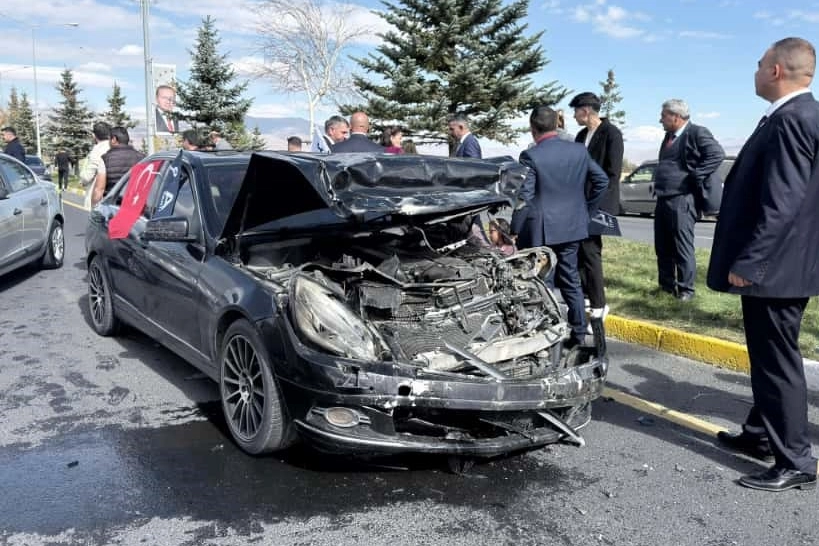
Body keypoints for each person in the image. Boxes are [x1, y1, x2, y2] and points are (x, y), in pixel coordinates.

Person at [709, 37, 819, 492]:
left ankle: (795, 461)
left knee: (776, 361)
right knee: (769, 354)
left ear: (775, 71)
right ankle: (759, 433)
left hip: (775, 267)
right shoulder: (802, 114)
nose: (754, 72)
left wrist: (752, 261)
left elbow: (783, 201)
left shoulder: (791, 119)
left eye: (758, 65)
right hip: (790, 262)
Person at [511, 106, 608, 348]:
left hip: (542, 231)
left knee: (543, 283)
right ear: (556, 124)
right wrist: (587, 211)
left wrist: (514, 228)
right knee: (571, 279)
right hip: (573, 226)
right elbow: (601, 181)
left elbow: (525, 198)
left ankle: (546, 335)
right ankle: (578, 334)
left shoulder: (530, 155)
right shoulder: (578, 150)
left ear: (532, 128)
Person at [654, 98, 724, 301]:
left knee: (681, 246)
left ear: (676, 117)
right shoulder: (669, 136)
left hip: (683, 200)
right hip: (663, 198)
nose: (660, 120)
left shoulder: (696, 132)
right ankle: (666, 287)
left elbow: (716, 154)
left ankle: (686, 290)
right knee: (663, 246)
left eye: (663, 116)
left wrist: (695, 175)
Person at [569, 92, 625, 326]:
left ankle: (599, 304)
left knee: (591, 252)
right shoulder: (581, 135)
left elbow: (612, 174)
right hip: (578, 203)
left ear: (586, 111)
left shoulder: (612, 134)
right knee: (580, 251)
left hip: (597, 204)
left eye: (576, 111)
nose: (574, 116)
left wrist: (596, 205)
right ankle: (585, 297)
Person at [92, 127, 145, 206]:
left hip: (112, 206)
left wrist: (95, 207)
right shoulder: (142, 158)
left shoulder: (105, 159)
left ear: (114, 139)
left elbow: (99, 189)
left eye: (109, 139)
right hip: (134, 206)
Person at [80, 122, 111, 209]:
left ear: (94, 135)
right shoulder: (113, 147)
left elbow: (87, 177)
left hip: (97, 195)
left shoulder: (96, 151)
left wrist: (82, 177)